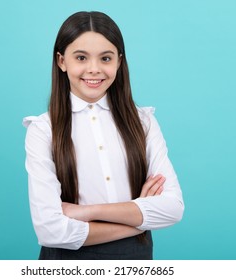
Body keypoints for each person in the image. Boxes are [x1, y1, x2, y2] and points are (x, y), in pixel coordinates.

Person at [23, 11, 184, 260]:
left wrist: (85, 212)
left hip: (135, 259)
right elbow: (50, 230)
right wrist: (138, 216)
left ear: (119, 62)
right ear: (61, 61)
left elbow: (173, 209)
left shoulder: (143, 123)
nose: (94, 69)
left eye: (105, 58)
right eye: (81, 57)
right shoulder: (44, 130)